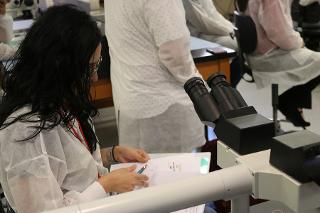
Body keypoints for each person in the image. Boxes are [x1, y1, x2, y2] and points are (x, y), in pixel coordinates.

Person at [0, 5, 150, 213]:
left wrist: (112, 155)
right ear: (60, 65)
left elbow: (66, 166)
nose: (95, 78)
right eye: (90, 69)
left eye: (97, 66)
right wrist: (105, 185)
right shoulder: (23, 131)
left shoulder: (61, 103)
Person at [105, 0, 206, 153]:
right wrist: (200, 88)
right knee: (178, 173)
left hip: (131, 100)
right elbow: (175, 53)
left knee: (142, 172)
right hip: (164, 106)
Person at [244, 0, 320, 127]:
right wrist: (299, 42)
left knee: (310, 58)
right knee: (315, 60)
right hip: (269, 56)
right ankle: (289, 101)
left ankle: (293, 102)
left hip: (257, 53)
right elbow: (279, 33)